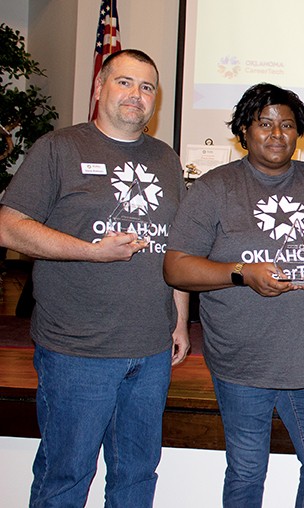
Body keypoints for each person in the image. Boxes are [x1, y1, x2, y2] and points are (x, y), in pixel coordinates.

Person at [0, 49, 189, 507]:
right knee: (67, 473)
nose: (136, 95)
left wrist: (179, 321)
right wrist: (91, 252)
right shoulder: (59, 148)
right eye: (125, 82)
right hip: (76, 350)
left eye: (147, 88)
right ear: (101, 87)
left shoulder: (166, 160)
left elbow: (176, 249)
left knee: (137, 474)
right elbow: (9, 225)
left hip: (150, 350)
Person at [163, 83, 304, 507]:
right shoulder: (215, 188)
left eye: (287, 125)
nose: (276, 134)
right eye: (264, 123)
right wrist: (240, 273)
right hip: (242, 363)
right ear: (244, 131)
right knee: (247, 473)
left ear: (299, 133)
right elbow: (175, 265)